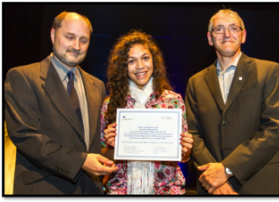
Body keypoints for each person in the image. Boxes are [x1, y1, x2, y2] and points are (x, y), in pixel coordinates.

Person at [4, 11, 118, 194]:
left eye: (83, 40)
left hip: (90, 188)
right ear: (52, 34)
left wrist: (111, 142)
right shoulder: (22, 77)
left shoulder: (97, 85)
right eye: (69, 37)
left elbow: (94, 143)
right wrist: (80, 161)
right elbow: (26, 137)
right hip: (45, 187)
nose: (76, 46)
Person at [185, 9, 279, 194]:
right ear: (210, 38)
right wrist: (214, 179)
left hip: (261, 184)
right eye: (219, 29)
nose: (227, 34)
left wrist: (226, 170)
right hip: (212, 187)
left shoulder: (269, 71)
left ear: (243, 35)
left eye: (233, 28)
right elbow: (193, 134)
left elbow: (274, 128)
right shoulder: (196, 82)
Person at [101, 29, 193, 194]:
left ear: (154, 61)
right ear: (123, 66)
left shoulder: (173, 101)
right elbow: (102, 160)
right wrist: (111, 147)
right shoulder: (110, 104)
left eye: (145, 58)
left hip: (166, 189)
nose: (140, 66)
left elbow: (183, 156)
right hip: (122, 189)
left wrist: (186, 150)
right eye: (131, 61)